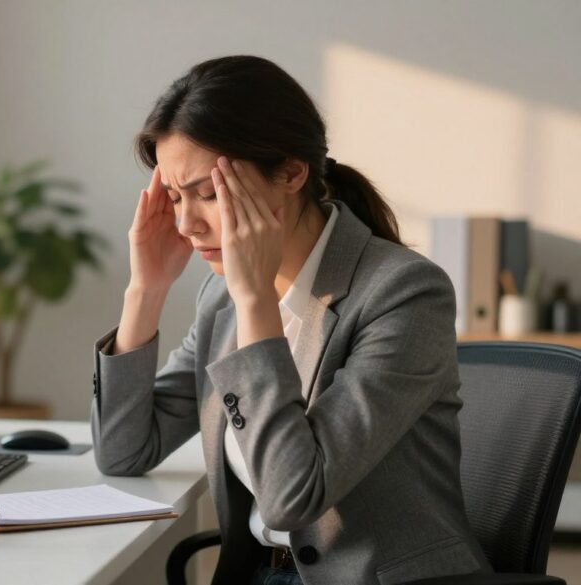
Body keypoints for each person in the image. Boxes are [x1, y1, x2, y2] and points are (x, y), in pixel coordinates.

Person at [90, 56, 493, 585]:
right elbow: (124, 451)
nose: (187, 223)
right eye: (174, 197)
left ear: (291, 172)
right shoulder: (221, 297)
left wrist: (256, 300)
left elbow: (290, 499)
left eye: (208, 194)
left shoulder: (404, 293)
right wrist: (146, 289)